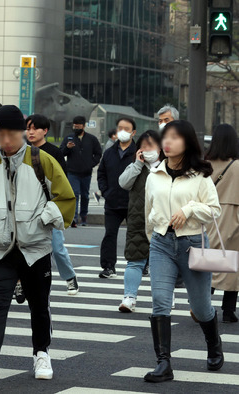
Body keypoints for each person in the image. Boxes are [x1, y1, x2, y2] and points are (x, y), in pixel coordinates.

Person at [0, 105, 75, 388]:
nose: (7, 139)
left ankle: (41, 353)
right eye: (1, 132)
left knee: (39, 305)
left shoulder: (42, 161)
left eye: (12, 132)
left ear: (22, 132)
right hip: (0, 247)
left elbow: (66, 199)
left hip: (35, 247)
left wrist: (42, 220)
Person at [144, 120, 223, 382]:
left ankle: (214, 345)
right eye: (165, 137)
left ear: (187, 142)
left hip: (193, 245)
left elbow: (213, 210)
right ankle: (163, 363)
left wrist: (189, 209)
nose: (167, 142)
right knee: (160, 303)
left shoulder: (199, 176)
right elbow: (149, 213)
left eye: (175, 138)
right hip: (161, 244)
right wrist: (152, 239)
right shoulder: (154, 175)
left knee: (200, 308)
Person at [26, 113, 79, 295]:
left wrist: (62, 210)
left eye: (35, 128)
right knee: (24, 247)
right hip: (28, 208)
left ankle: (70, 277)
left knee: (57, 248)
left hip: (50, 207)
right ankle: (21, 283)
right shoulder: (22, 151)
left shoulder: (54, 152)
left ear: (45, 131)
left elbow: (62, 183)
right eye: (28, 128)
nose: (31, 132)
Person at [117, 130, 163, 312]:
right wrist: (137, 164)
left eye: (150, 146)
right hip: (138, 220)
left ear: (160, 148)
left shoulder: (168, 167)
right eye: (143, 146)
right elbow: (123, 183)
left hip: (162, 221)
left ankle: (166, 296)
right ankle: (129, 298)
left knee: (162, 263)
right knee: (134, 260)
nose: (146, 150)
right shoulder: (136, 167)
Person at [205, 124, 239, 323]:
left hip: (211, 217)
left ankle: (201, 305)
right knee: (232, 265)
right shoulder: (237, 165)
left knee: (210, 262)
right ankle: (228, 311)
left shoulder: (205, 164)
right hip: (234, 218)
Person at [97, 117, 137, 278]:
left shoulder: (138, 152)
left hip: (133, 202)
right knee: (109, 235)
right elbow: (101, 174)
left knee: (135, 236)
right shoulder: (109, 152)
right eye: (120, 128)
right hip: (112, 202)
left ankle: (140, 264)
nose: (122, 131)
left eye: (126, 129)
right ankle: (108, 266)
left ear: (133, 132)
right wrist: (105, 191)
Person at [60, 115, 102, 227]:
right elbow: (61, 153)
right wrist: (67, 148)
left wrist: (91, 164)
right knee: (74, 194)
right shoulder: (69, 138)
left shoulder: (91, 139)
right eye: (74, 126)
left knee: (85, 195)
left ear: (83, 126)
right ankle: (73, 218)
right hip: (72, 172)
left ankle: (84, 217)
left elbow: (98, 153)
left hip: (86, 173)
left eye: (78, 126)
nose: (76, 128)